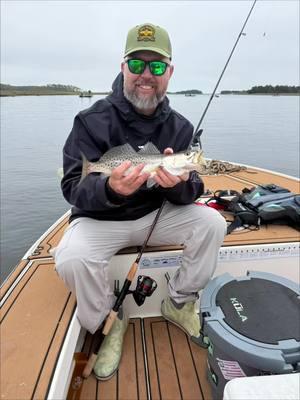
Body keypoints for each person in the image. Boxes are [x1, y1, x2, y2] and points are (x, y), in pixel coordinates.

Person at [54, 22, 227, 380]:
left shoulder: (180, 127)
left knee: (211, 223)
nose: (146, 75)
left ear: (169, 73)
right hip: (100, 218)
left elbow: (192, 188)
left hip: (155, 215)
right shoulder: (90, 121)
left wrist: (175, 186)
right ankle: (108, 320)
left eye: (157, 66)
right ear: (123, 68)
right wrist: (111, 189)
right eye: (137, 65)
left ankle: (179, 301)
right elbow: (73, 187)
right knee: (71, 257)